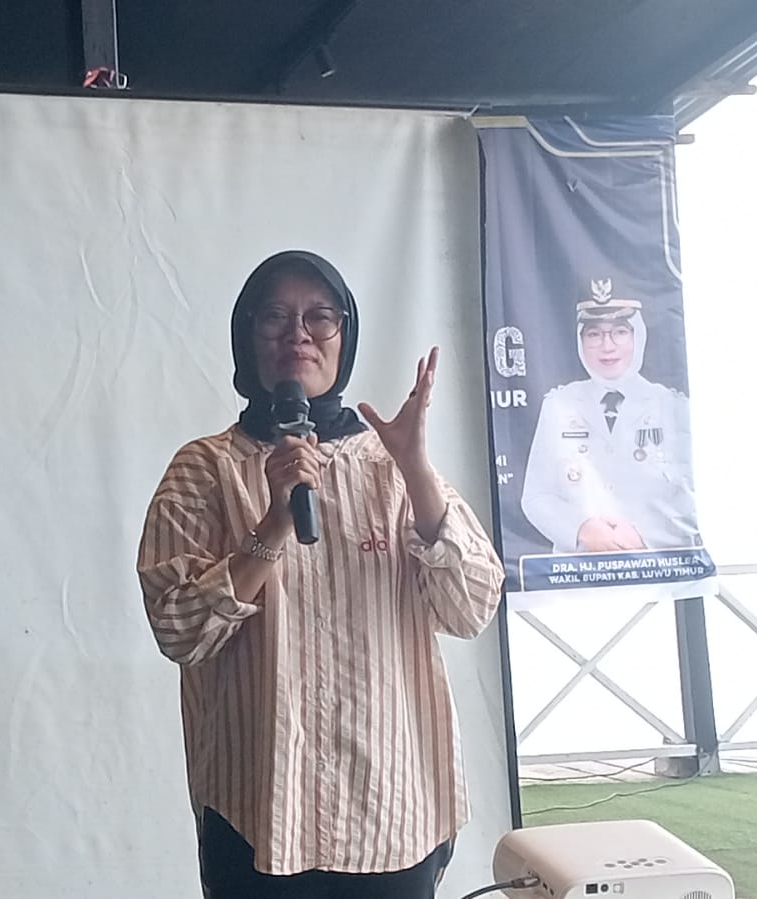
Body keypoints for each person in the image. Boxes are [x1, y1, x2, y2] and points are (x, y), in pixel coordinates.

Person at [137, 250, 505, 898]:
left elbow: (471, 605)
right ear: (246, 336)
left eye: (319, 317)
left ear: (344, 336)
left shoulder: (389, 467)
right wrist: (273, 524)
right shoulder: (204, 468)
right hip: (256, 814)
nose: (298, 334)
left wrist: (417, 469)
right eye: (274, 316)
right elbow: (178, 628)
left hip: (392, 808)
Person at [520, 278, 699, 553]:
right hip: (578, 568)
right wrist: (581, 529)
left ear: (638, 336)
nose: (608, 346)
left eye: (620, 332)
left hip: (654, 565)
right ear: (580, 340)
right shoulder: (559, 405)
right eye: (594, 334)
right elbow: (535, 495)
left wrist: (644, 535)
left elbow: (689, 495)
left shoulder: (670, 406)